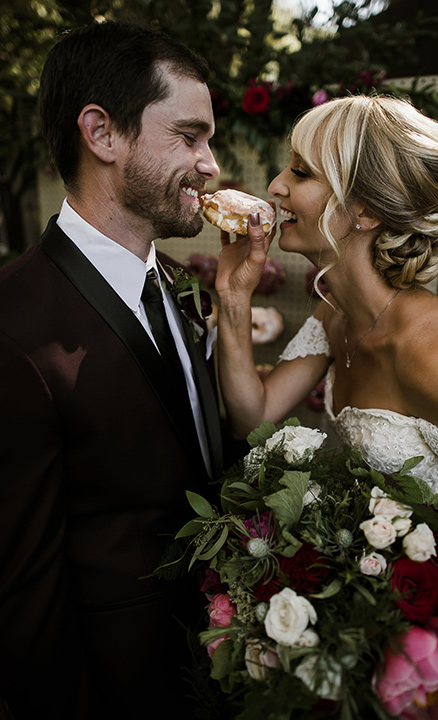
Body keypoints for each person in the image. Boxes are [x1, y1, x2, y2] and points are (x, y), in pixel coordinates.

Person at [0, 21, 225, 720]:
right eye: (189, 137)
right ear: (102, 134)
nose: (211, 164)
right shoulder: (12, 324)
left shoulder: (182, 285)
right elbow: (21, 593)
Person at [215, 94, 438, 493]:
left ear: (366, 211)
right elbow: (251, 418)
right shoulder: (333, 316)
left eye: (300, 173)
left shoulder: (437, 352)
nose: (275, 186)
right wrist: (234, 297)